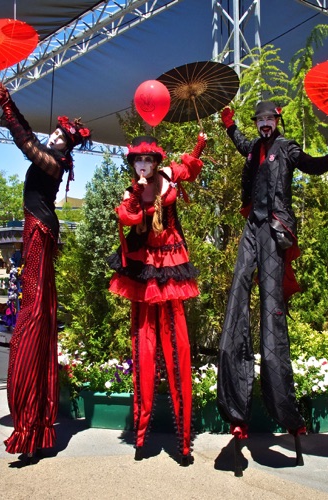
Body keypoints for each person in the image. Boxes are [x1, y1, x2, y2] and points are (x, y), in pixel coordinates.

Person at [217, 102, 328, 470]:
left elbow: (310, 164)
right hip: (251, 227)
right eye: (259, 120)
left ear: (276, 122)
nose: (263, 125)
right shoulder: (255, 148)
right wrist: (229, 126)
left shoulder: (286, 147)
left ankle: (287, 414)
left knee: (270, 313)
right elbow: (241, 144)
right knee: (237, 296)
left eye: (268, 120)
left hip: (274, 231)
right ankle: (235, 408)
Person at [0, 82, 92, 464]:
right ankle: (34, 420)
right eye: (54, 132)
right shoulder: (48, 157)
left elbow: (25, 142)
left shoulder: (52, 163)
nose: (53, 136)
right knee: (34, 305)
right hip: (36, 228)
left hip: (39, 230)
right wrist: (9, 106)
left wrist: (7, 103)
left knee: (34, 310)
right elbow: (26, 134)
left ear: (67, 148)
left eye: (60, 135)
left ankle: (32, 421)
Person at [107, 133, 206, 466]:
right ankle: (140, 435)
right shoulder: (131, 191)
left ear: (157, 162)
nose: (144, 165)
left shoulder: (168, 177)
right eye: (138, 160)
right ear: (132, 164)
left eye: (148, 159)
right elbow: (128, 218)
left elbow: (190, 170)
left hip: (171, 268)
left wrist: (199, 145)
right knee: (143, 346)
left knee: (177, 347)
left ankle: (184, 441)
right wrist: (136, 190)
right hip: (143, 271)